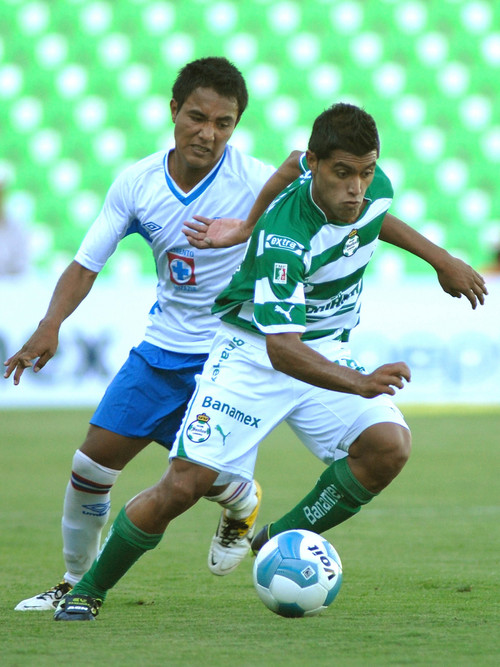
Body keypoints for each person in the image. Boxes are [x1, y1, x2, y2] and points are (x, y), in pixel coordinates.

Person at [52, 102, 487, 621]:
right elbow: (282, 350)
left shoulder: (365, 187)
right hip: (254, 354)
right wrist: (358, 383)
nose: (356, 188)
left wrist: (442, 260)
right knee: (184, 485)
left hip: (323, 347)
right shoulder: (285, 238)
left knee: (387, 447)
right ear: (316, 167)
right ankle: (87, 591)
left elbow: (369, 213)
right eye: (343, 174)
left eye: (366, 172)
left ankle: (275, 540)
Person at [5, 57, 303, 611]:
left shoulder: (256, 182)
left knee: (187, 482)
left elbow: (332, 211)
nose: (208, 133)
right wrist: (50, 324)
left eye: (224, 123)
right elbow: (86, 263)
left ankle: (234, 496)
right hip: (161, 351)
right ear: (174, 111)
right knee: (90, 468)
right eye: (197, 117)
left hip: (229, 358)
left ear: (236, 125)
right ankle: (73, 581)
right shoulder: (138, 183)